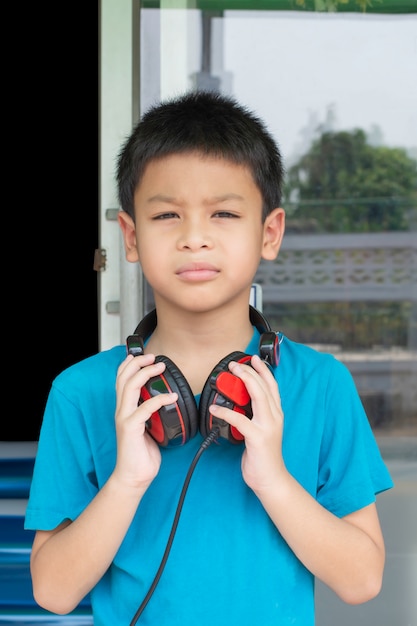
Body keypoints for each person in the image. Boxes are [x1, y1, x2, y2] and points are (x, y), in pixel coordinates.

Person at [25, 90, 393, 626]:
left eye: (223, 213)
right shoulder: (81, 392)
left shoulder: (321, 384)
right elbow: (53, 592)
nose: (195, 238)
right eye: (167, 214)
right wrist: (126, 479)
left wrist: (273, 478)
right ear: (131, 236)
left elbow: (362, 581)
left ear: (269, 233)